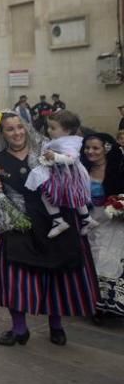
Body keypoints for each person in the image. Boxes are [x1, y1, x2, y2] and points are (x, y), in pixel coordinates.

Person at [0, 112, 98, 346]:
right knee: (16, 278)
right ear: (2, 133)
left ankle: (56, 326)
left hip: (55, 220)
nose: (17, 133)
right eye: (10, 129)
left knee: (57, 273)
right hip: (18, 223)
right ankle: (19, 329)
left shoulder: (46, 148)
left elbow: (73, 172)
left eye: (20, 127)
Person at [24, 110, 93, 238]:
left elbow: (70, 158)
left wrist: (55, 156)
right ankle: (86, 218)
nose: (49, 130)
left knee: (46, 193)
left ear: (66, 130)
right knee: (75, 196)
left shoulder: (68, 142)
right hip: (64, 174)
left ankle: (58, 220)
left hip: (66, 176)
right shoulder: (65, 140)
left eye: (53, 128)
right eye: (48, 127)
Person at [81, 132, 124, 316]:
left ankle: (108, 302)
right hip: (89, 220)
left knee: (108, 259)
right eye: (88, 148)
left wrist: (120, 206)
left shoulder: (118, 170)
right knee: (92, 258)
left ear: (105, 149)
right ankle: (94, 303)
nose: (91, 151)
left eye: (95, 148)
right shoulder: (82, 170)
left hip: (112, 221)